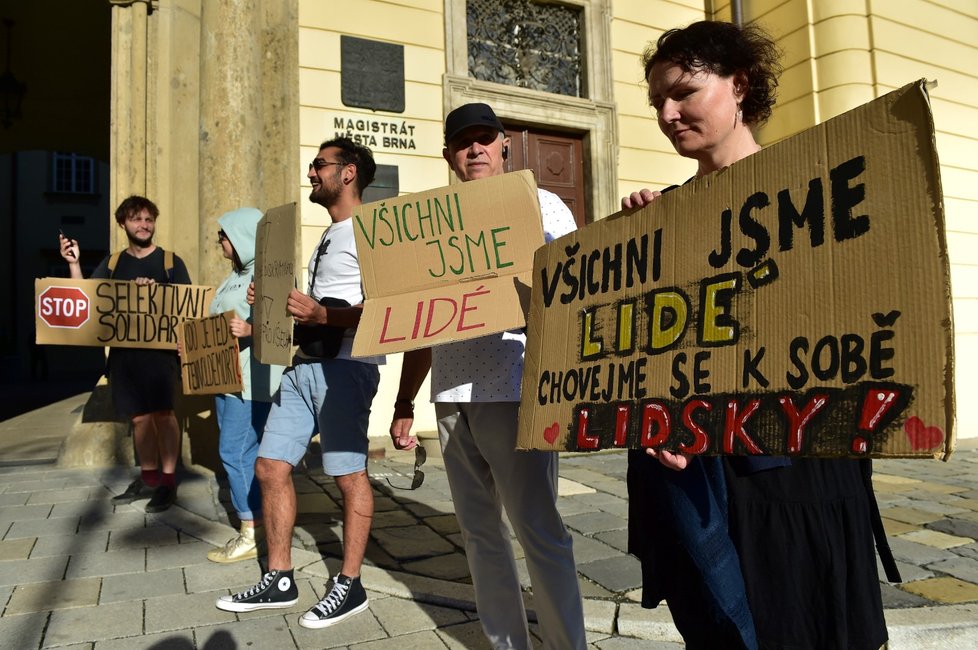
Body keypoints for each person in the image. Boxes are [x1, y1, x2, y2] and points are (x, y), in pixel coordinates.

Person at [621, 21, 895, 650]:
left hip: (793, 475)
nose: (668, 113)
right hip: (697, 477)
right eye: (658, 100)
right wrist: (638, 252)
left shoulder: (815, 193)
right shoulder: (663, 214)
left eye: (685, 92)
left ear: (738, 85)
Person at [390, 103, 587, 650]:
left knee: (538, 530)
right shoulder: (431, 223)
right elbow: (417, 320)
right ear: (449, 154)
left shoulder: (544, 204)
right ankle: (506, 644)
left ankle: (565, 645)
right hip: (450, 394)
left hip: (515, 388)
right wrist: (405, 400)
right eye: (462, 142)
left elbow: (570, 297)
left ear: (504, 145)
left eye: (484, 139)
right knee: (479, 535)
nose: (474, 149)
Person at [215, 137, 384, 631]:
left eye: (319, 165)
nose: (311, 172)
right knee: (269, 467)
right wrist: (269, 305)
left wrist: (321, 311)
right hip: (305, 365)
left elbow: (384, 309)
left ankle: (350, 586)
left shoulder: (372, 232)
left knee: (348, 474)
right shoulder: (330, 235)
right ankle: (280, 576)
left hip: (348, 369)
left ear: (348, 173)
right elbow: (313, 314)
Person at [60, 195, 191, 513]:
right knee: (139, 419)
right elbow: (87, 298)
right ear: (123, 223)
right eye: (136, 219)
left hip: (161, 359)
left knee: (164, 416)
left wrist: (157, 293)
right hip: (124, 358)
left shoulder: (170, 262)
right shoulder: (114, 263)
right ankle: (148, 478)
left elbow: (187, 307)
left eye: (149, 219)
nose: (144, 225)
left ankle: (168, 482)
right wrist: (74, 263)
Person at [204, 208, 284, 563]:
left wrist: (250, 330)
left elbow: (285, 326)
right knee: (242, 454)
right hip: (226, 378)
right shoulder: (232, 277)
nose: (220, 241)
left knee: (234, 453)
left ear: (242, 236)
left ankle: (249, 532)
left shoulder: (270, 273)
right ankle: (260, 524)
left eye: (224, 234)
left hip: (252, 380)